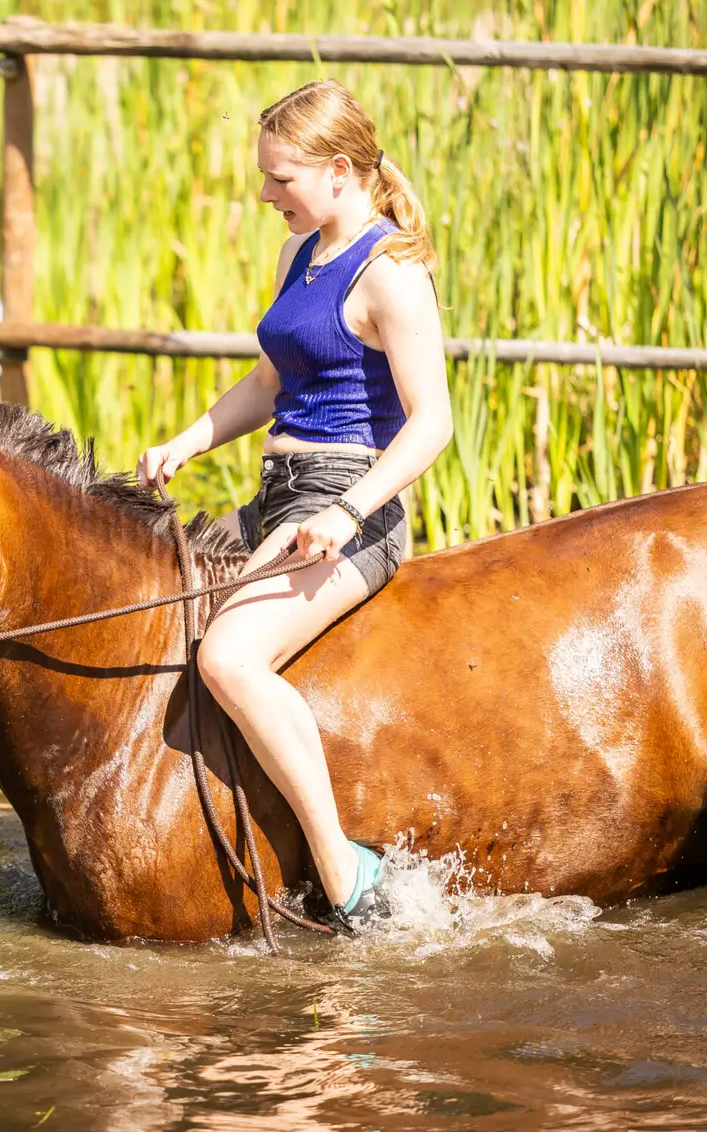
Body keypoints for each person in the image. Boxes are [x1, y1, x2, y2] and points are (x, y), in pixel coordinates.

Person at [137, 79, 453, 932]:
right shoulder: (298, 255)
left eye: (280, 178)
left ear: (339, 170)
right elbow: (269, 383)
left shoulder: (391, 274)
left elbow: (433, 423)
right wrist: (189, 441)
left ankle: (344, 868)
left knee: (229, 659)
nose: (264, 194)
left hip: (353, 510)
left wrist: (348, 512)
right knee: (155, 593)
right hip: (275, 496)